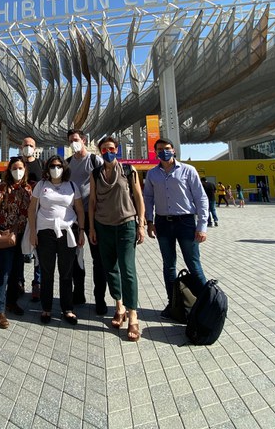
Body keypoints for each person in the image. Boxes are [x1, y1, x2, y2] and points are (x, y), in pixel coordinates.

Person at [89, 136, 146, 341]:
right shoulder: (95, 174)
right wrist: (92, 228)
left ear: (117, 149)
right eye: (103, 149)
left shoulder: (129, 171)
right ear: (100, 152)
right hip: (103, 226)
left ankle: (132, 316)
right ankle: (119, 306)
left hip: (126, 225)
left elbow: (139, 197)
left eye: (111, 148)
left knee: (127, 269)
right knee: (110, 268)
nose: (108, 152)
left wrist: (141, 223)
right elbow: (92, 202)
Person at [144, 138, 209, 318]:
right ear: (155, 152)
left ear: (173, 150)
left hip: (186, 222)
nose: (163, 152)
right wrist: (149, 221)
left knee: (194, 264)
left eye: (166, 148)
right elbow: (148, 198)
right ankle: (174, 304)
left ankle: (206, 305)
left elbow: (201, 198)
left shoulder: (188, 170)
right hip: (163, 223)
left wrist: (202, 225)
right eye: (159, 149)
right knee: (169, 266)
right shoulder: (152, 174)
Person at [28, 155, 85, 325]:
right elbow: (32, 210)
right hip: (45, 232)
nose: (55, 168)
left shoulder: (72, 186)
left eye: (59, 165)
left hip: (67, 231)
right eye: (52, 165)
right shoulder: (41, 185)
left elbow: (80, 210)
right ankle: (46, 308)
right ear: (47, 168)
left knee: (66, 272)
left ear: (64, 168)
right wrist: (32, 232)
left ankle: (67, 308)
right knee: (47, 272)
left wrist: (81, 231)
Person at [0, 156, 32, 328]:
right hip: (5, 235)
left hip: (21, 235)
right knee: (4, 271)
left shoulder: (28, 188)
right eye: (14, 168)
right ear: (9, 170)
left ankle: (11, 301)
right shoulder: (3, 187)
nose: (18, 171)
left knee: (17, 271)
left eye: (21, 168)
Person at [66, 128, 106, 313]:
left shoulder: (94, 160)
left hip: (94, 217)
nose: (73, 143)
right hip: (74, 218)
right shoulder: (67, 164)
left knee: (98, 259)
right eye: (70, 141)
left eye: (76, 139)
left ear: (83, 140)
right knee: (76, 258)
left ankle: (100, 299)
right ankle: (78, 293)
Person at [20, 136, 43, 301]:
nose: (28, 147)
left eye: (31, 145)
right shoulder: (16, 164)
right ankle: (19, 282)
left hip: (37, 212)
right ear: (21, 147)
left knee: (39, 250)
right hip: (19, 213)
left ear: (35, 148)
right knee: (19, 250)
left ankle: (38, 283)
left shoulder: (41, 165)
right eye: (25, 145)